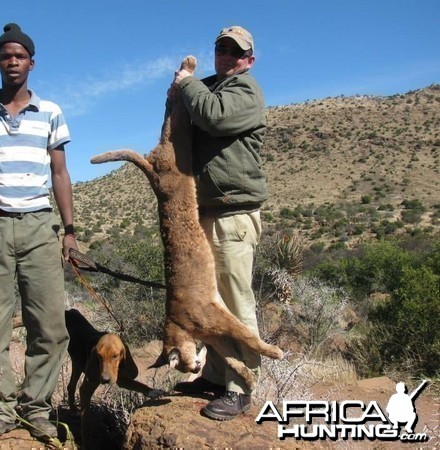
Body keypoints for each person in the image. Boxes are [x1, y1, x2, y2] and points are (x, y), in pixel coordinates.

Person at [0, 23, 78, 442]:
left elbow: (60, 173)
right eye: (6, 56)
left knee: (48, 325)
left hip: (40, 226)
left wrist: (69, 230)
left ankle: (36, 408)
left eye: (20, 56)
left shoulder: (51, 112)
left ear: (31, 62)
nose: (13, 62)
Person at [171, 25, 268, 420]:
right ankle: (215, 374)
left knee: (233, 300)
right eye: (221, 49)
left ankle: (241, 386)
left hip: (232, 215)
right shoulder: (210, 88)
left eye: (235, 52)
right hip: (207, 213)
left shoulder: (244, 91)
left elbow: (214, 118)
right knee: (210, 303)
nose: (227, 56)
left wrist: (187, 83)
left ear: (249, 59)